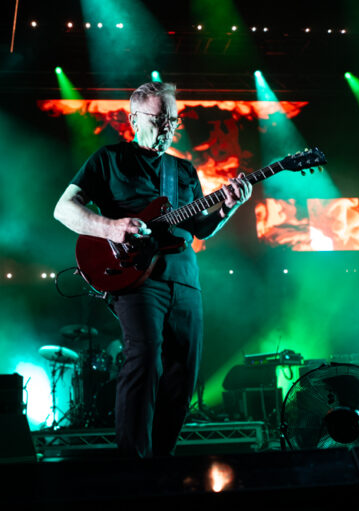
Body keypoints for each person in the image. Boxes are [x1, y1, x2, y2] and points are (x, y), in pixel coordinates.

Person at [54, 82, 252, 457]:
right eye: (160, 119)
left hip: (184, 279)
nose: (168, 127)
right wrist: (111, 227)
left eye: (173, 120)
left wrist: (229, 208)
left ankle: (162, 463)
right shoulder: (108, 159)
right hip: (134, 277)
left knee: (183, 373)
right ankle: (134, 466)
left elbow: (200, 228)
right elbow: (63, 209)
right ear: (134, 118)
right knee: (144, 359)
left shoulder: (183, 170)